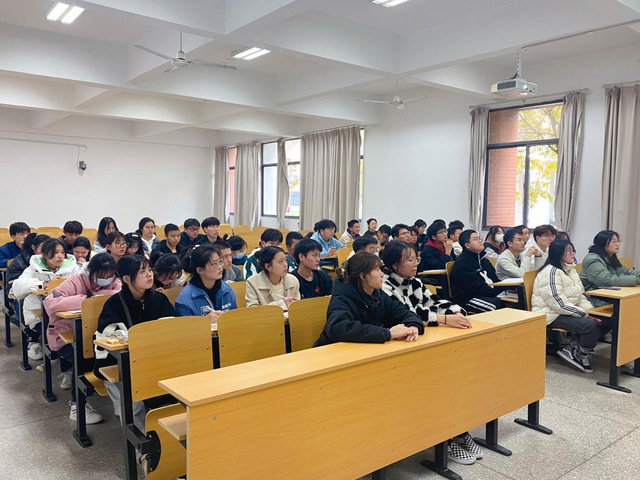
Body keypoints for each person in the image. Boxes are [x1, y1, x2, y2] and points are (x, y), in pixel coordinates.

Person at [379, 241, 480, 465]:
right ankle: (441, 439)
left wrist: (456, 311)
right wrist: (444, 319)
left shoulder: (414, 281)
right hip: (399, 349)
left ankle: (458, 429)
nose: (416, 263)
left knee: (453, 378)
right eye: (410, 260)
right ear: (394, 264)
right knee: (433, 385)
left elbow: (432, 302)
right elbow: (406, 314)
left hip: (423, 340)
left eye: (416, 258)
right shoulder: (384, 285)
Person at [94, 255, 176, 430]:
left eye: (150, 270)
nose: (149, 275)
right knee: (134, 405)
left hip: (155, 361)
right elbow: (107, 340)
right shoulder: (114, 304)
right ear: (126, 279)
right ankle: (139, 443)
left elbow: (171, 328)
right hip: (120, 365)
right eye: (142, 272)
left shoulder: (159, 299)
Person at [43, 253, 121, 424]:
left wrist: (101, 296)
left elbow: (120, 295)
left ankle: (119, 403)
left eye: (110, 274)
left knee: (114, 360)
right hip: (66, 336)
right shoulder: (76, 281)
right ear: (91, 271)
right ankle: (77, 406)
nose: (106, 278)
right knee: (83, 360)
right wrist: (87, 300)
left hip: (98, 336)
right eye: (102, 275)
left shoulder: (115, 281)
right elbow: (50, 302)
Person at [313, 252, 424, 346]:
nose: (382, 274)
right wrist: (387, 333)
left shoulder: (377, 294)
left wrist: (413, 326)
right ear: (363, 276)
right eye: (377, 270)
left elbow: (401, 311)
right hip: (334, 354)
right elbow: (339, 329)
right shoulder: (342, 299)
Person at [532, 240, 606, 373]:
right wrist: (585, 315)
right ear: (559, 253)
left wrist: (591, 312)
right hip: (551, 314)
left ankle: (576, 347)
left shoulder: (570, 270)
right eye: (569, 251)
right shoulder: (550, 272)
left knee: (605, 320)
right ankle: (579, 352)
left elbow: (580, 296)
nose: (573, 254)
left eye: (573, 250)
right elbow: (558, 304)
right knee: (590, 326)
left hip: (568, 311)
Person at [10, 238, 79, 360]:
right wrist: (44, 284)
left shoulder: (72, 267)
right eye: (55, 252)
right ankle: (59, 359)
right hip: (40, 313)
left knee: (80, 332)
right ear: (45, 254)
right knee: (58, 334)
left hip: (66, 312)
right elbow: (18, 286)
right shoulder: (34, 268)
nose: (60, 256)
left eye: (63, 252)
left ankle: (67, 362)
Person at [176, 245, 236, 320]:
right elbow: (186, 326)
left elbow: (234, 319)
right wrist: (205, 322)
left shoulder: (227, 290)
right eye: (214, 264)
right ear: (200, 270)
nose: (220, 267)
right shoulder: (184, 299)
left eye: (220, 262)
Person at [449, 230, 504, 313]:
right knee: (497, 306)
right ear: (467, 245)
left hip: (488, 294)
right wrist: (494, 293)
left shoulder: (484, 260)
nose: (479, 241)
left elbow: (495, 279)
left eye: (479, 238)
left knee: (511, 301)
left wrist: (501, 290)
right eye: (475, 239)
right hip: (468, 298)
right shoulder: (462, 262)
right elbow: (474, 287)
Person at [580, 230, 640, 306]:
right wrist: (635, 280)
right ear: (603, 243)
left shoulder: (611, 257)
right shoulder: (592, 259)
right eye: (614, 242)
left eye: (618, 241)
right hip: (595, 298)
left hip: (610, 293)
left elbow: (626, 272)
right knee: (631, 303)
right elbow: (606, 281)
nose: (617, 244)